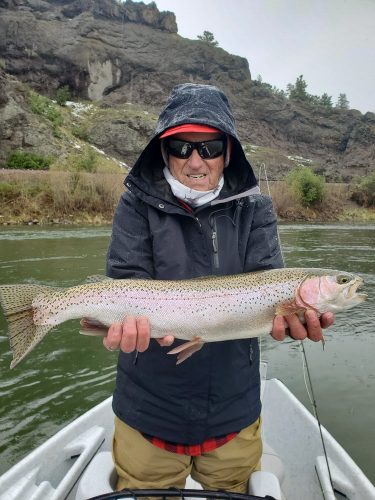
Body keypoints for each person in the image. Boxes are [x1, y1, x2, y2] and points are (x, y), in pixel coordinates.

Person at [104, 83, 334, 493]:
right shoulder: (134, 206)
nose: (196, 161)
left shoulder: (256, 209)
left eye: (208, 148)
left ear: (227, 152)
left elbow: (270, 281)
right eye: (181, 148)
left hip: (233, 411)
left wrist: (294, 321)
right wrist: (122, 325)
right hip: (148, 409)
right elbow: (127, 282)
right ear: (163, 152)